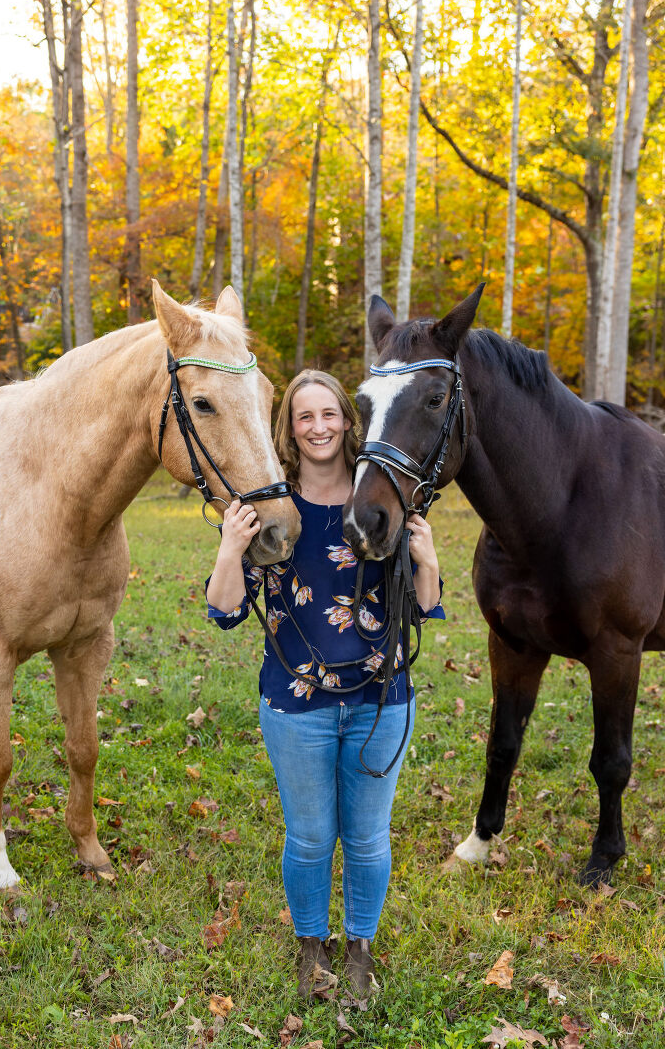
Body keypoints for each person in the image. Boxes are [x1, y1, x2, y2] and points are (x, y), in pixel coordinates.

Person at [205, 370, 444, 999]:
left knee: (367, 836)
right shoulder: (272, 509)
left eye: (330, 414)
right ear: (289, 427)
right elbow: (227, 610)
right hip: (296, 705)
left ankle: (360, 945)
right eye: (304, 416)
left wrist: (429, 564)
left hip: (379, 700)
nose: (319, 427)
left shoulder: (380, 498)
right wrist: (231, 549)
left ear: (348, 420)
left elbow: (423, 608)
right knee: (310, 835)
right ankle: (312, 946)